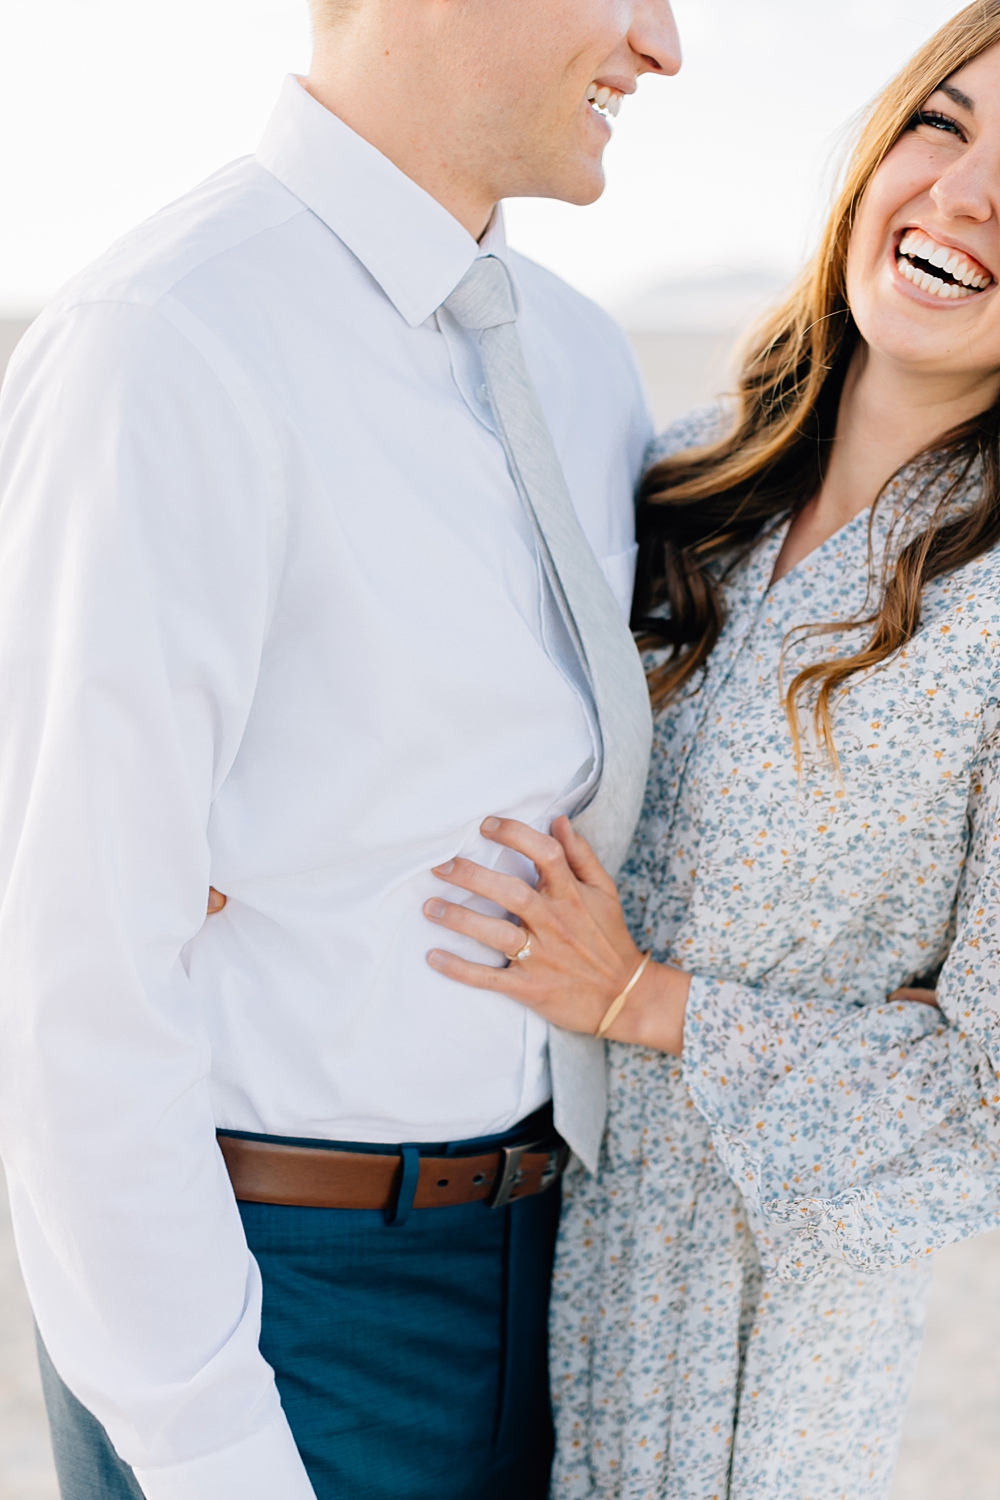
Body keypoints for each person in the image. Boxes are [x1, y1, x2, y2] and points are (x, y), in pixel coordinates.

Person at [0, 2, 682, 1498]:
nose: (666, 44)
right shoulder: (165, 344)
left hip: (548, 1265)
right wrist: (208, 1445)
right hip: (271, 1292)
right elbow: (73, 990)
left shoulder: (577, 360)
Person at [423, 3, 1000, 1495]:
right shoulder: (676, 476)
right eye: (944, 125)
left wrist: (645, 998)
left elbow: (988, 1097)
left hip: (765, 1331)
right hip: (509, 1236)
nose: (967, 196)